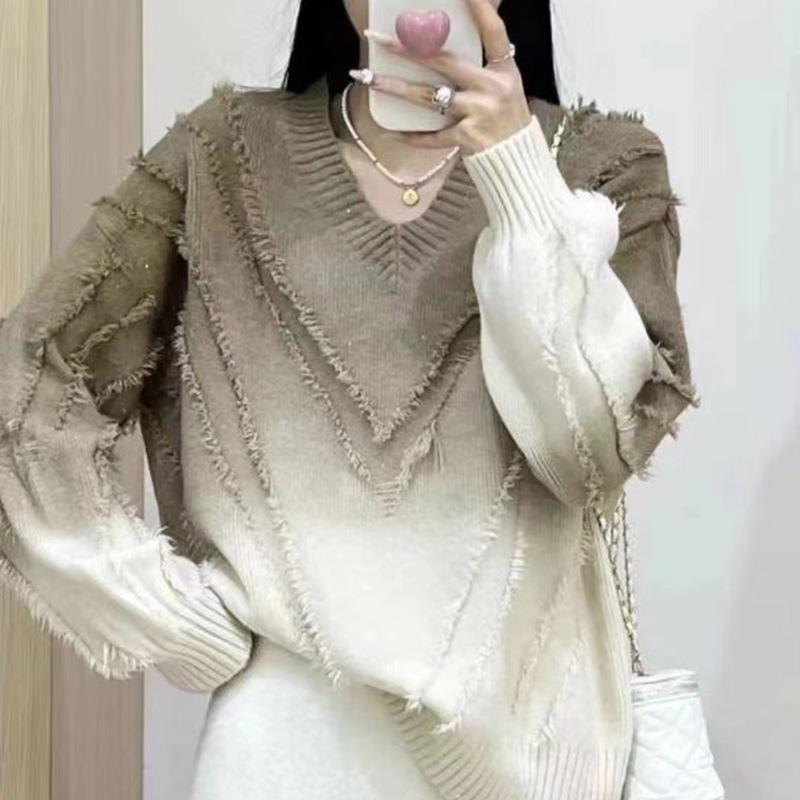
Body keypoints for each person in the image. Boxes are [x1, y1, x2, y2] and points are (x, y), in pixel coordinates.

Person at [0, 0, 698, 798]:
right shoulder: (221, 156)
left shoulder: (605, 167)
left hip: (531, 760)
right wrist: (163, 616)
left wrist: (519, 178)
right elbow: (30, 388)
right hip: (278, 753)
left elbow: (589, 456)